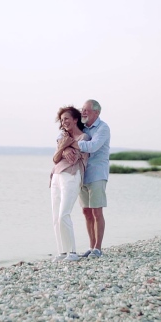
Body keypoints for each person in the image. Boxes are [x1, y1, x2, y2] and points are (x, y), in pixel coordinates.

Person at [64, 99, 110, 258]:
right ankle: (91, 247)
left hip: (97, 174)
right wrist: (64, 148)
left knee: (97, 211)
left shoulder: (103, 128)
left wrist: (72, 144)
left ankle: (98, 248)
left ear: (96, 112)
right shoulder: (82, 127)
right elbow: (63, 134)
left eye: (86, 110)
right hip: (82, 174)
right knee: (86, 212)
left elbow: (93, 146)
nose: (83, 112)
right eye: (82, 109)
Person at [50, 106, 91, 262]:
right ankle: (62, 252)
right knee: (55, 216)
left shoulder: (84, 138)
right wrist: (63, 147)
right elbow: (55, 159)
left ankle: (72, 253)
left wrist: (67, 146)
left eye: (66, 118)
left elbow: (74, 159)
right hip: (56, 176)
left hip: (72, 175)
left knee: (63, 214)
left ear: (75, 119)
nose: (64, 122)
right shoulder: (62, 137)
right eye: (62, 120)